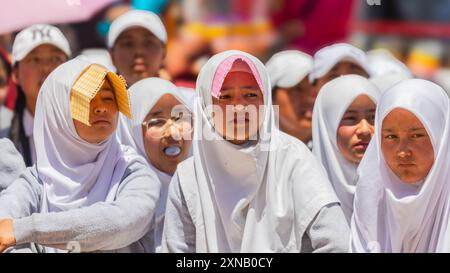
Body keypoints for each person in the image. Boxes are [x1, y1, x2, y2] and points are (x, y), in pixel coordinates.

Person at [161, 50, 349, 253]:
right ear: (206, 104)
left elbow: (337, 243)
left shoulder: (293, 158)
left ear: (265, 99)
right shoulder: (189, 176)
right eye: (225, 97)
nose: (240, 107)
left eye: (251, 95)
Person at [0, 58, 161, 253]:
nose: (101, 107)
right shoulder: (36, 181)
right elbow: (2, 228)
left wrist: (24, 229)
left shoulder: (133, 171)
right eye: (86, 99)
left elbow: (121, 222)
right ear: (58, 111)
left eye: (109, 98)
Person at [351, 79, 450, 253]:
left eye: (417, 136)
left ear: (442, 135)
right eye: (391, 137)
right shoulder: (371, 198)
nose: (403, 152)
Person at [119, 77, 193, 251]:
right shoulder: (116, 200)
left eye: (180, 117)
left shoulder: (208, 191)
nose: (173, 132)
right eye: (157, 122)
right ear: (131, 132)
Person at [312, 75, 380, 223]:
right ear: (327, 125)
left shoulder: (399, 188)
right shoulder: (304, 190)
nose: (365, 130)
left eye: (373, 118)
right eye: (350, 118)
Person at [9, 24, 71, 166]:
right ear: (15, 74)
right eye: (34, 60)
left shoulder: (93, 130)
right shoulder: (4, 138)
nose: (46, 68)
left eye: (55, 59)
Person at [266, 50, 314, 146]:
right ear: (270, 97)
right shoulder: (255, 154)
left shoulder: (340, 148)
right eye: (297, 89)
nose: (309, 99)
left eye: (314, 88)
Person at [107, 9, 167, 86]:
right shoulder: (92, 98)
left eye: (148, 43)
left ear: (164, 51)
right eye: (128, 44)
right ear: (112, 54)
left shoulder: (185, 97)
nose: (139, 51)